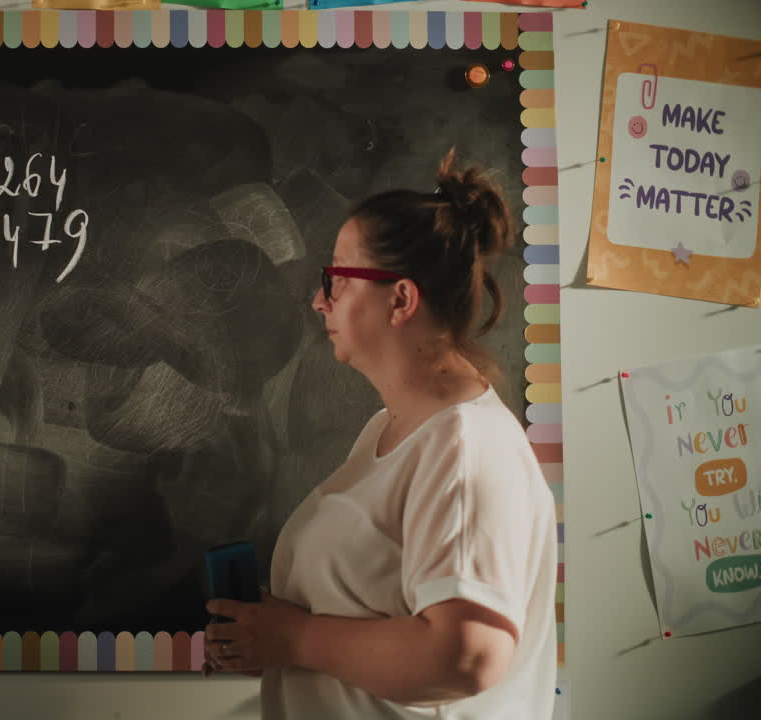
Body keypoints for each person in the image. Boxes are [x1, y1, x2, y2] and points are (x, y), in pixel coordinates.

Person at [203, 151, 557, 719]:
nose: (320, 299)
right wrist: (269, 636)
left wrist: (295, 640)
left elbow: (467, 656)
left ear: (400, 299)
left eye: (337, 279)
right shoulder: (387, 433)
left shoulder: (466, 449)